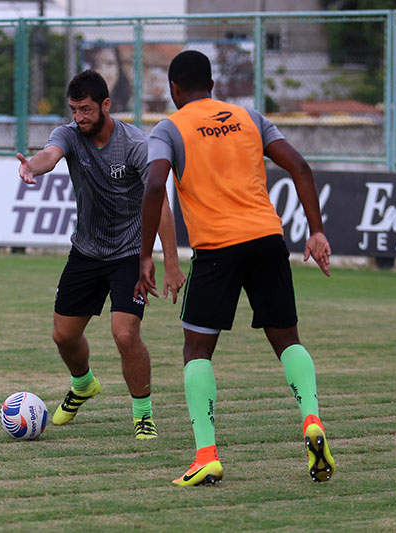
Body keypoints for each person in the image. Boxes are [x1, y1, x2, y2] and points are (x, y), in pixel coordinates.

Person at [134, 51, 335, 484]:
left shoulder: (170, 128)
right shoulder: (250, 118)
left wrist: (145, 253)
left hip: (217, 250)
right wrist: (315, 231)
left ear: (174, 89)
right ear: (212, 83)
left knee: (196, 352)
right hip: (267, 241)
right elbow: (299, 166)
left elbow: (154, 185)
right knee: (288, 341)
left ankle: (206, 454)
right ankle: (311, 421)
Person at [18, 70, 185, 440]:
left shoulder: (136, 145)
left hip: (129, 255)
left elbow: (161, 206)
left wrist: (170, 262)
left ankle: (143, 413)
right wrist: (32, 166)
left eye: (86, 109)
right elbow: (49, 155)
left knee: (125, 334)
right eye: (74, 110)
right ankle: (83, 385)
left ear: (106, 105)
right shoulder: (69, 135)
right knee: (63, 336)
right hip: (86, 252)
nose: (79, 118)